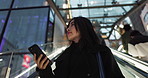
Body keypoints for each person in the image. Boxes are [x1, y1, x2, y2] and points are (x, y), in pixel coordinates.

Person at [33, 17, 125, 78]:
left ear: (83, 27)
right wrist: (44, 70)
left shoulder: (101, 52)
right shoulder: (65, 55)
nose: (68, 29)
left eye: (72, 25)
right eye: (68, 26)